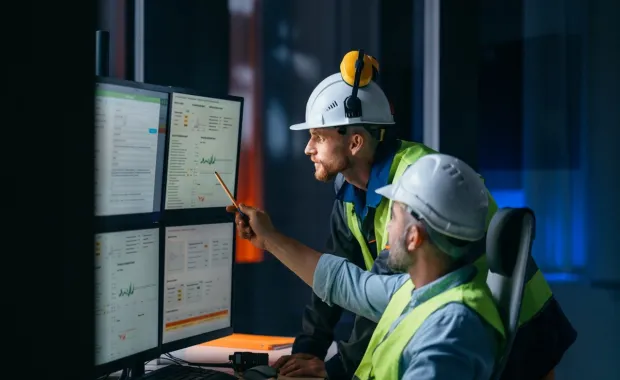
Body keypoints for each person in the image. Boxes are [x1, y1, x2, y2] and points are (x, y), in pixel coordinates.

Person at [271, 50, 576, 379]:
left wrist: (334, 370)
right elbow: (344, 280)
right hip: (459, 318)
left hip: (512, 325)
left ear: (355, 141)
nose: (308, 148)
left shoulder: (416, 185)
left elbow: (379, 299)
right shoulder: (350, 191)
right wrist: (307, 350)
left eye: (318, 136)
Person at [229, 153, 506, 379]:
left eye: (394, 216)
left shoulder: (451, 331)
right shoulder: (418, 289)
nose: (387, 225)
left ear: (413, 237)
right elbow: (346, 284)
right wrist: (269, 238)